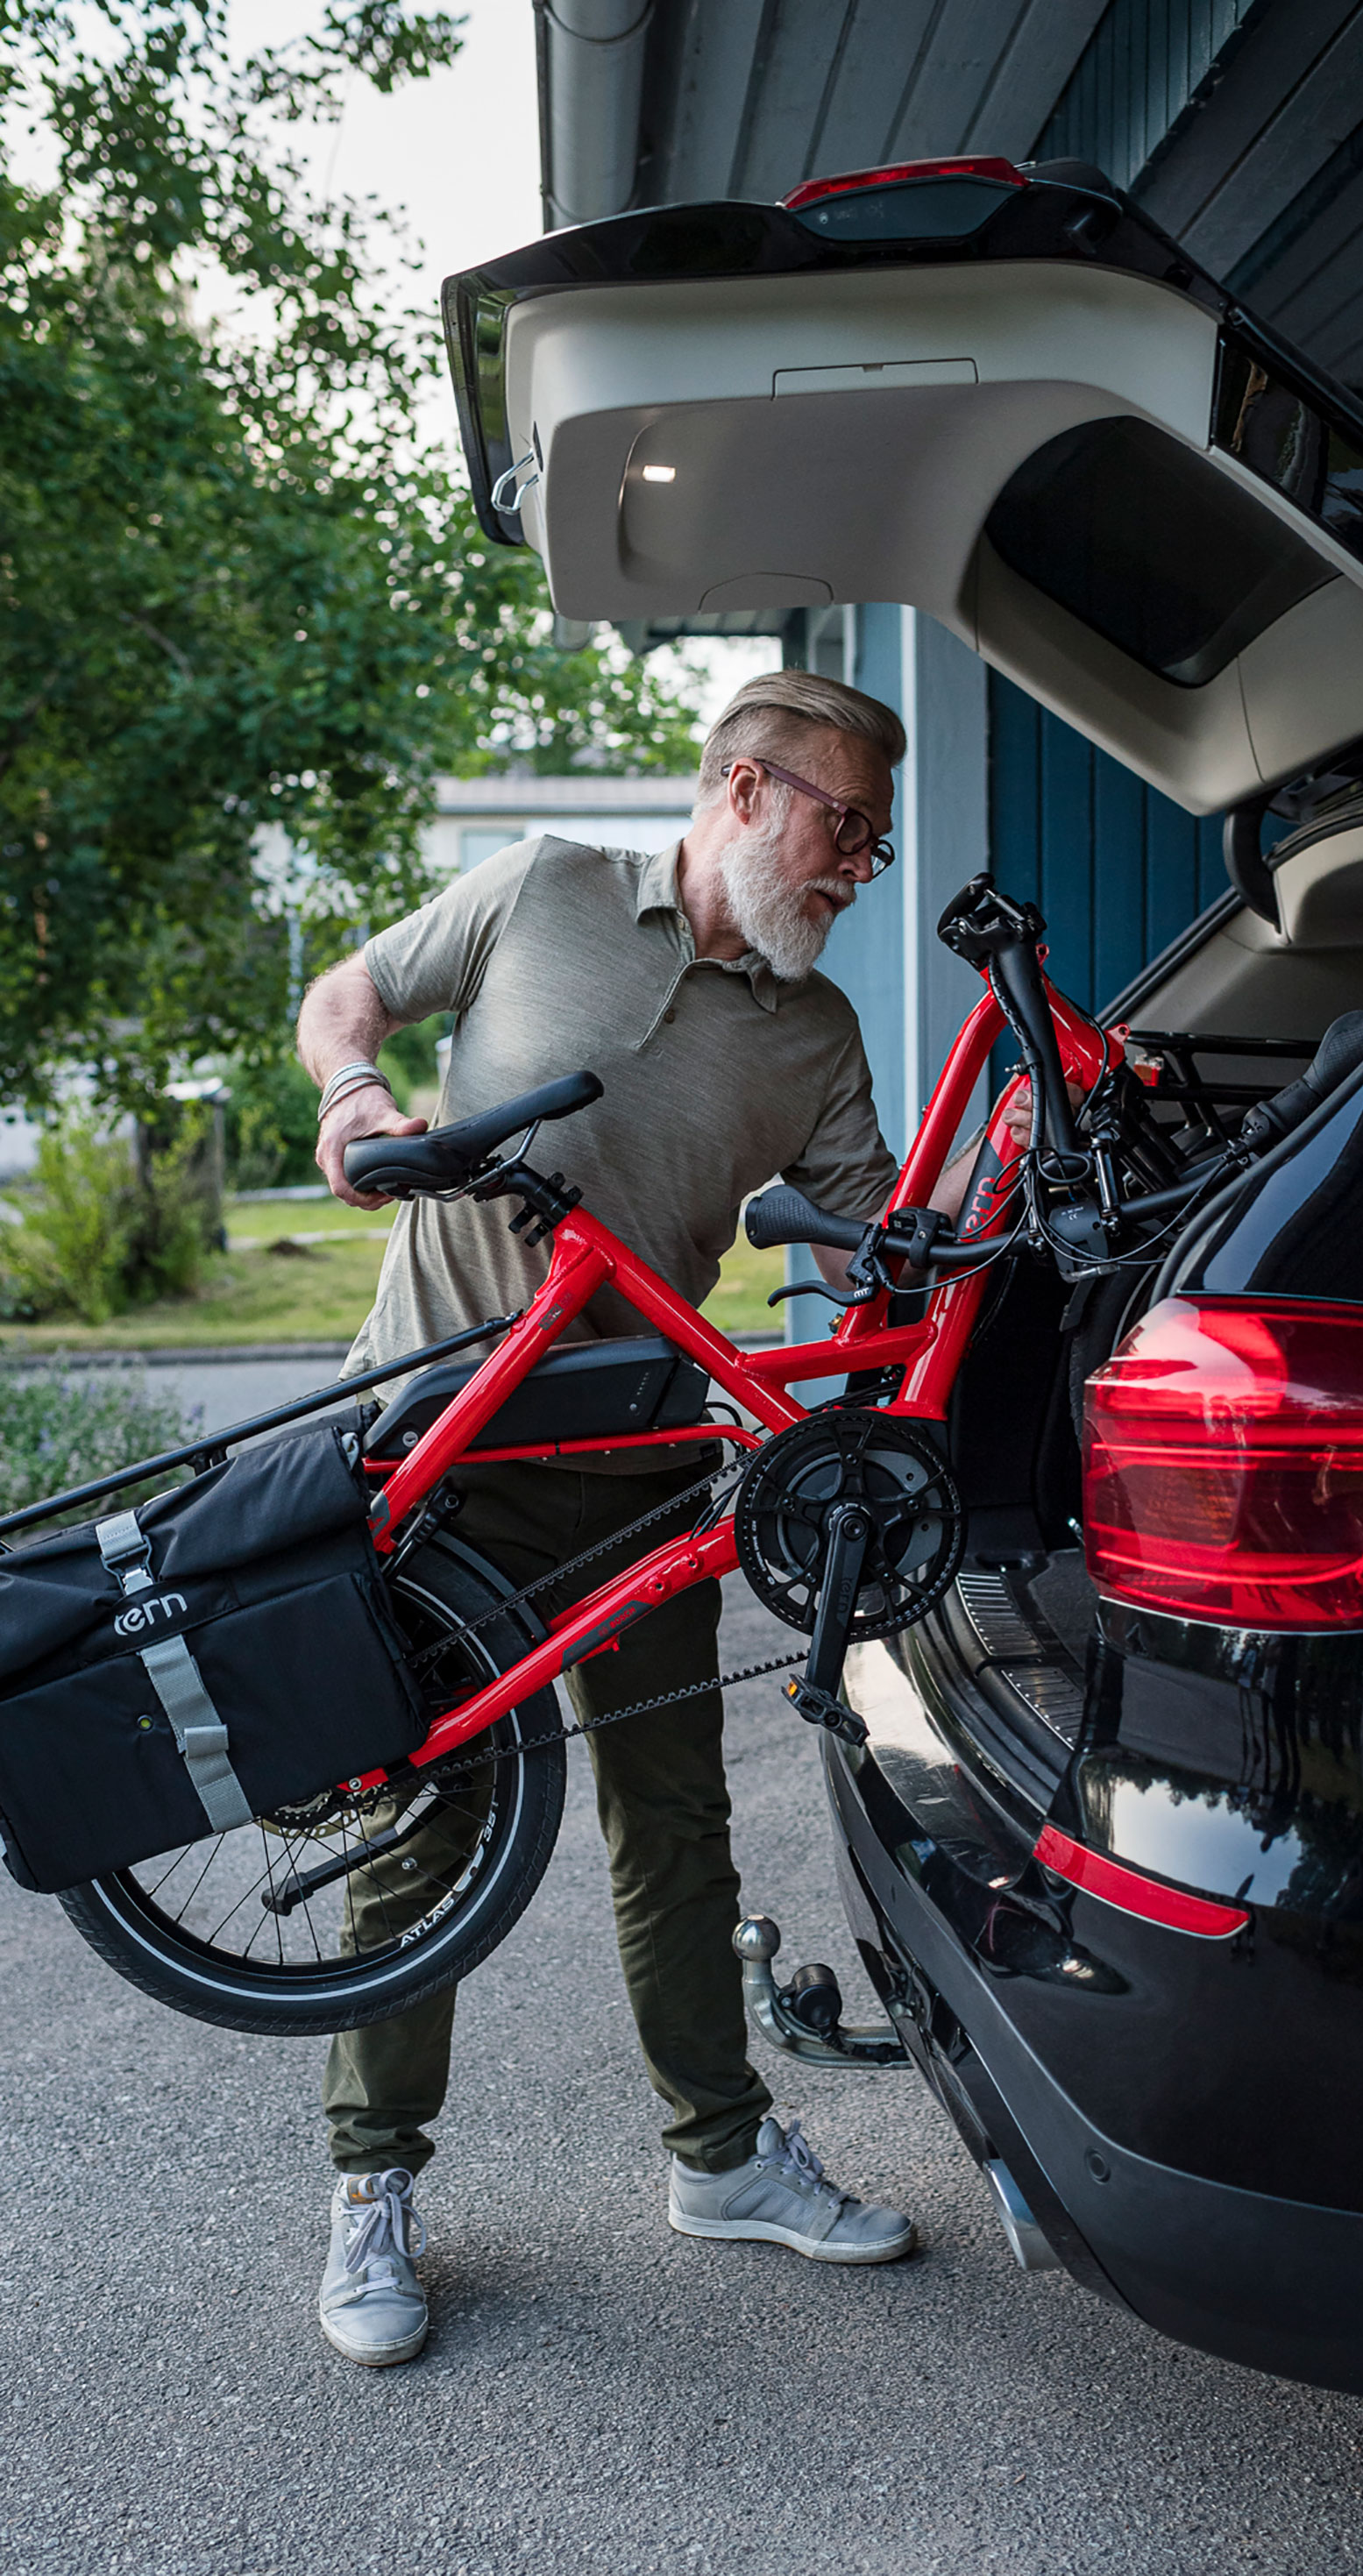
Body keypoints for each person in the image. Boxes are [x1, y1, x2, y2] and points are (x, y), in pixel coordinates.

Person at [297, 671, 1006, 2367]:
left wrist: (1003, 1182)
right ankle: (371, 2187)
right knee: (426, 1831)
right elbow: (352, 993)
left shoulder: (817, 1036)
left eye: (880, 842)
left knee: (675, 1827)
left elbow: (885, 1243)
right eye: (846, 825)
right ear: (749, 791)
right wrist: (350, 1100)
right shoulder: (540, 886)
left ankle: (721, 2153)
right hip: (439, 1448)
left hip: (637, 1469)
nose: (863, 866)